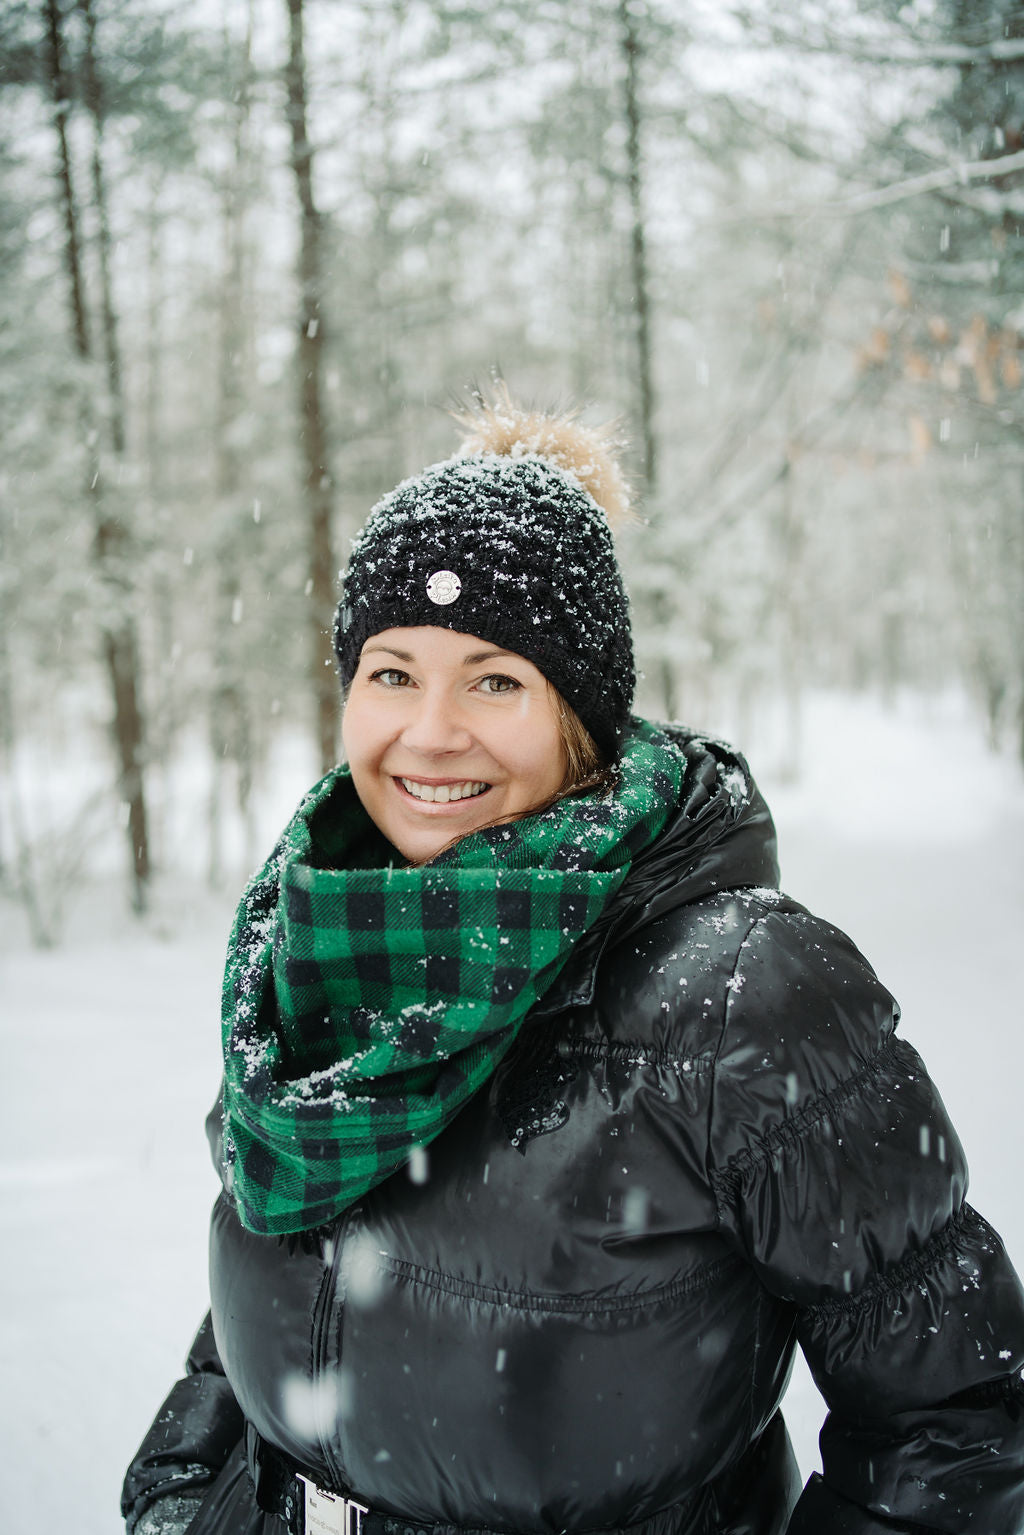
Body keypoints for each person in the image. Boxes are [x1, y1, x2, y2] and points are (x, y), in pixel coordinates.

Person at [123, 393, 1024, 1535]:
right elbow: (287, 1226)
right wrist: (182, 1483)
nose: (429, 729)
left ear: (581, 717)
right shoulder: (319, 933)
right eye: (391, 672)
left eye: (494, 679)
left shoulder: (746, 995)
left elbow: (950, 1425)